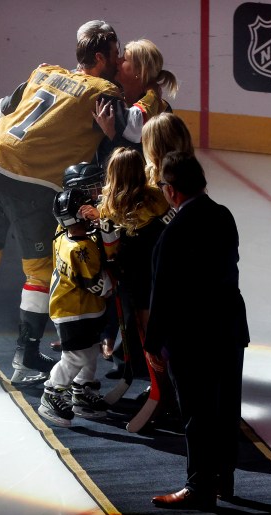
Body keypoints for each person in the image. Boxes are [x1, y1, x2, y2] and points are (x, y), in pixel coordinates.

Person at [0, 20, 156, 383]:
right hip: (33, 180)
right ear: (99, 56)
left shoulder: (43, 72)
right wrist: (154, 92)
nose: (120, 58)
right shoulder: (102, 90)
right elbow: (133, 128)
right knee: (40, 272)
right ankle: (26, 357)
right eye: (115, 53)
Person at [145, 152, 250, 509]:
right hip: (230, 328)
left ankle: (198, 487)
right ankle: (223, 480)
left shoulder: (173, 233)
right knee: (224, 408)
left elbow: (162, 294)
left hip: (192, 337)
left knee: (196, 413)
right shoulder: (223, 216)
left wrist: (152, 342)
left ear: (171, 191)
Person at [93, 147, 174, 397]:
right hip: (157, 270)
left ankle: (151, 375)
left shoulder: (107, 206)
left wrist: (111, 263)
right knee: (153, 327)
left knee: (135, 324)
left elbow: (110, 246)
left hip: (129, 274)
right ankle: (161, 376)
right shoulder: (156, 198)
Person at [38, 187, 113, 427]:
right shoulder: (81, 249)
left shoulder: (61, 232)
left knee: (90, 350)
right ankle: (51, 392)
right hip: (74, 311)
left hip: (75, 308)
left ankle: (80, 390)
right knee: (76, 356)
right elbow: (98, 285)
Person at [93, 38, 177, 151]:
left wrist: (112, 134)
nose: (117, 61)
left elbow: (146, 156)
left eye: (124, 59)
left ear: (140, 71)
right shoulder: (113, 97)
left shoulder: (162, 110)